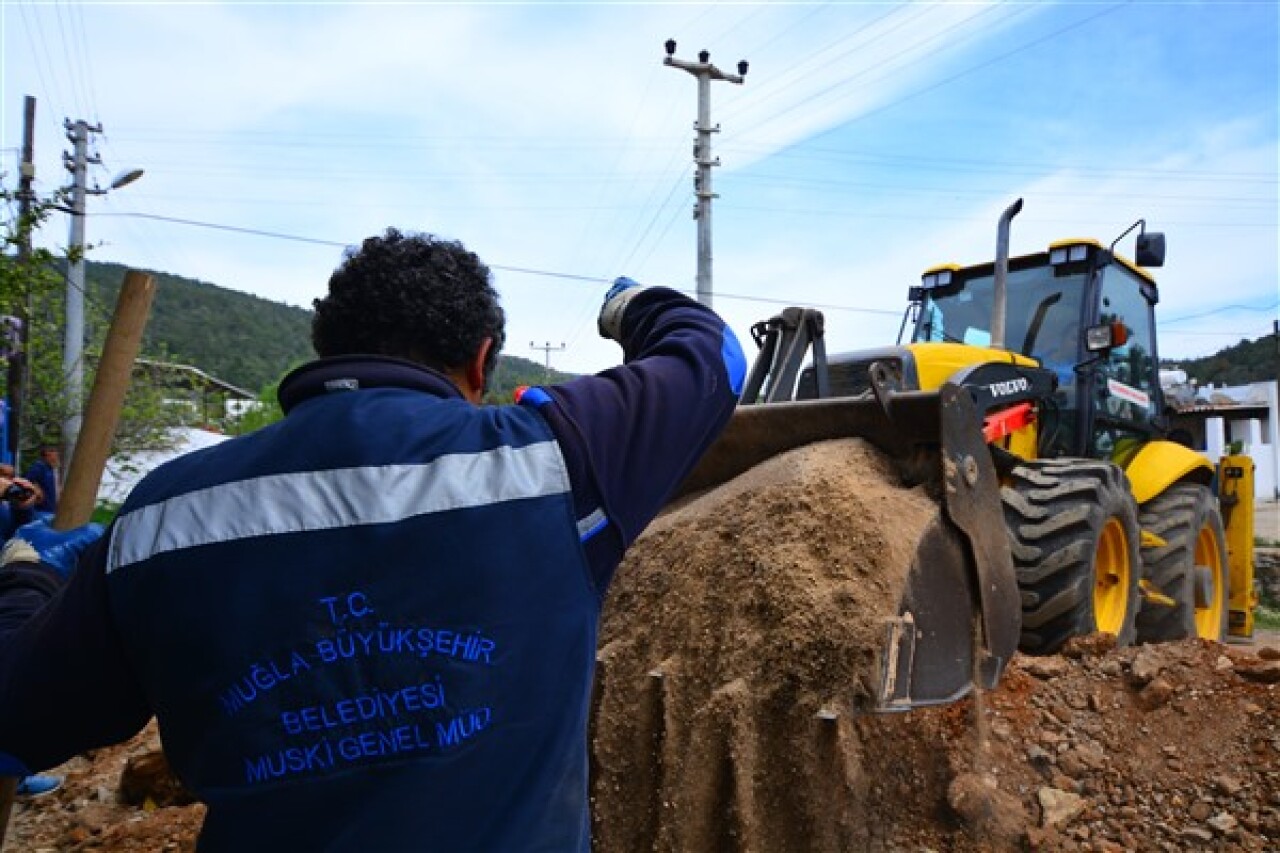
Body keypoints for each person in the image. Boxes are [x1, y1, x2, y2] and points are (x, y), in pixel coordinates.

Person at [0, 228, 745, 850]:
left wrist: (25, 573)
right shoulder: (553, 462)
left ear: (326, 347)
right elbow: (712, 356)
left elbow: (18, 715)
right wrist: (627, 305)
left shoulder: (163, 516)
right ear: (481, 361)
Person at [21, 444, 59, 514]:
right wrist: (36, 490)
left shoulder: (50, 469)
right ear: (48, 454)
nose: (56, 458)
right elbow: (26, 482)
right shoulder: (39, 467)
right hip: (41, 510)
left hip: (50, 509)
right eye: (55, 455)